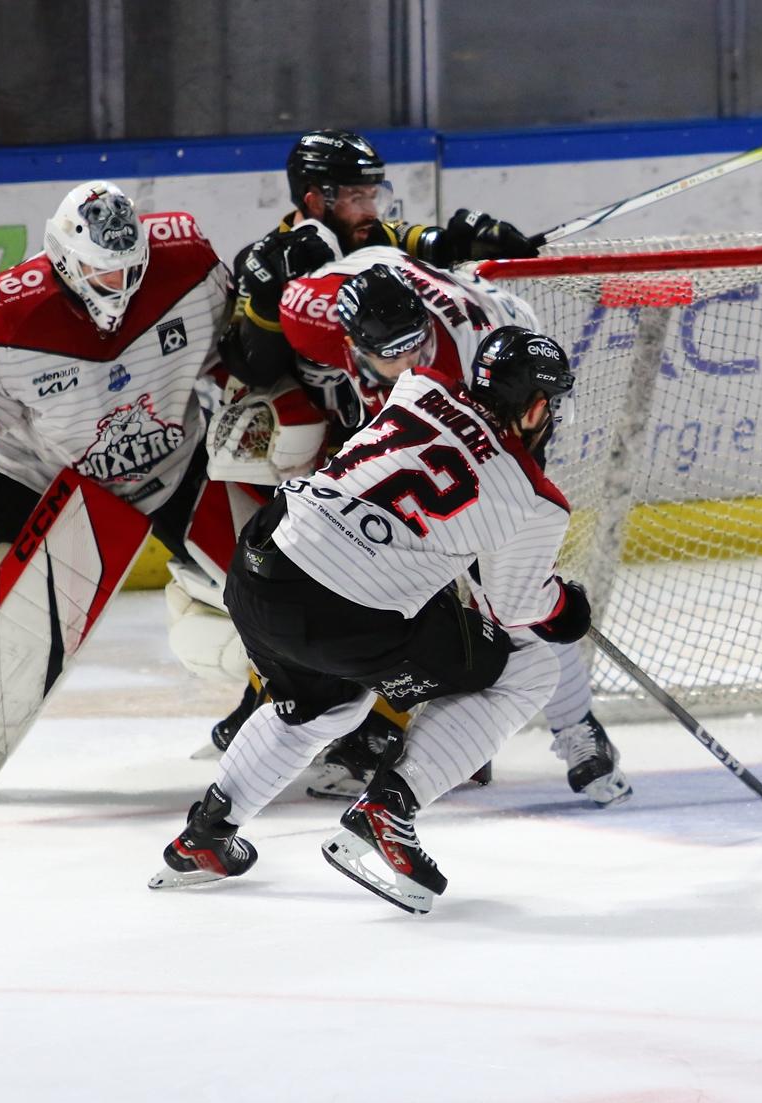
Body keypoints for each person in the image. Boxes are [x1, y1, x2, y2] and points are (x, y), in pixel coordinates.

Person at [151, 327, 590, 914]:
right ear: (537, 407)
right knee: (528, 666)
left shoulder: (418, 387)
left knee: (323, 703)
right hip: (343, 612)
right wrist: (564, 607)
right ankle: (389, 812)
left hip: (261, 568)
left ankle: (205, 835)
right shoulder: (535, 501)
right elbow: (515, 607)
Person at [0, 181, 248, 787]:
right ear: (64, 257)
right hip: (48, 478)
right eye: (101, 274)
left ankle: (285, 709)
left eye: (129, 270)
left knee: (261, 589)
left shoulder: (188, 263)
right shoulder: (4, 319)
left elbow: (236, 348)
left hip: (175, 464)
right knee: (11, 607)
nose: (119, 287)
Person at [212, 251, 632, 804]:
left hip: (496, 435)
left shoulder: (462, 370)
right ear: (353, 344)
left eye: (415, 344)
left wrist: (528, 569)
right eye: (390, 353)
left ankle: (577, 729)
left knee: (509, 604)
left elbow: (516, 488)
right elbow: (382, 248)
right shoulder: (323, 316)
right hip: (412, 465)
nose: (406, 358)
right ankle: (376, 723)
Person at [218, 129, 537, 392]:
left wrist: (474, 238)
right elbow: (257, 372)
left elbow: (439, 245)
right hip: (308, 423)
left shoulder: (381, 236)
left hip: (375, 411)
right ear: (315, 200)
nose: (371, 210)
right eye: (357, 198)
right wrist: (267, 296)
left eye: (374, 195)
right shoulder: (263, 261)